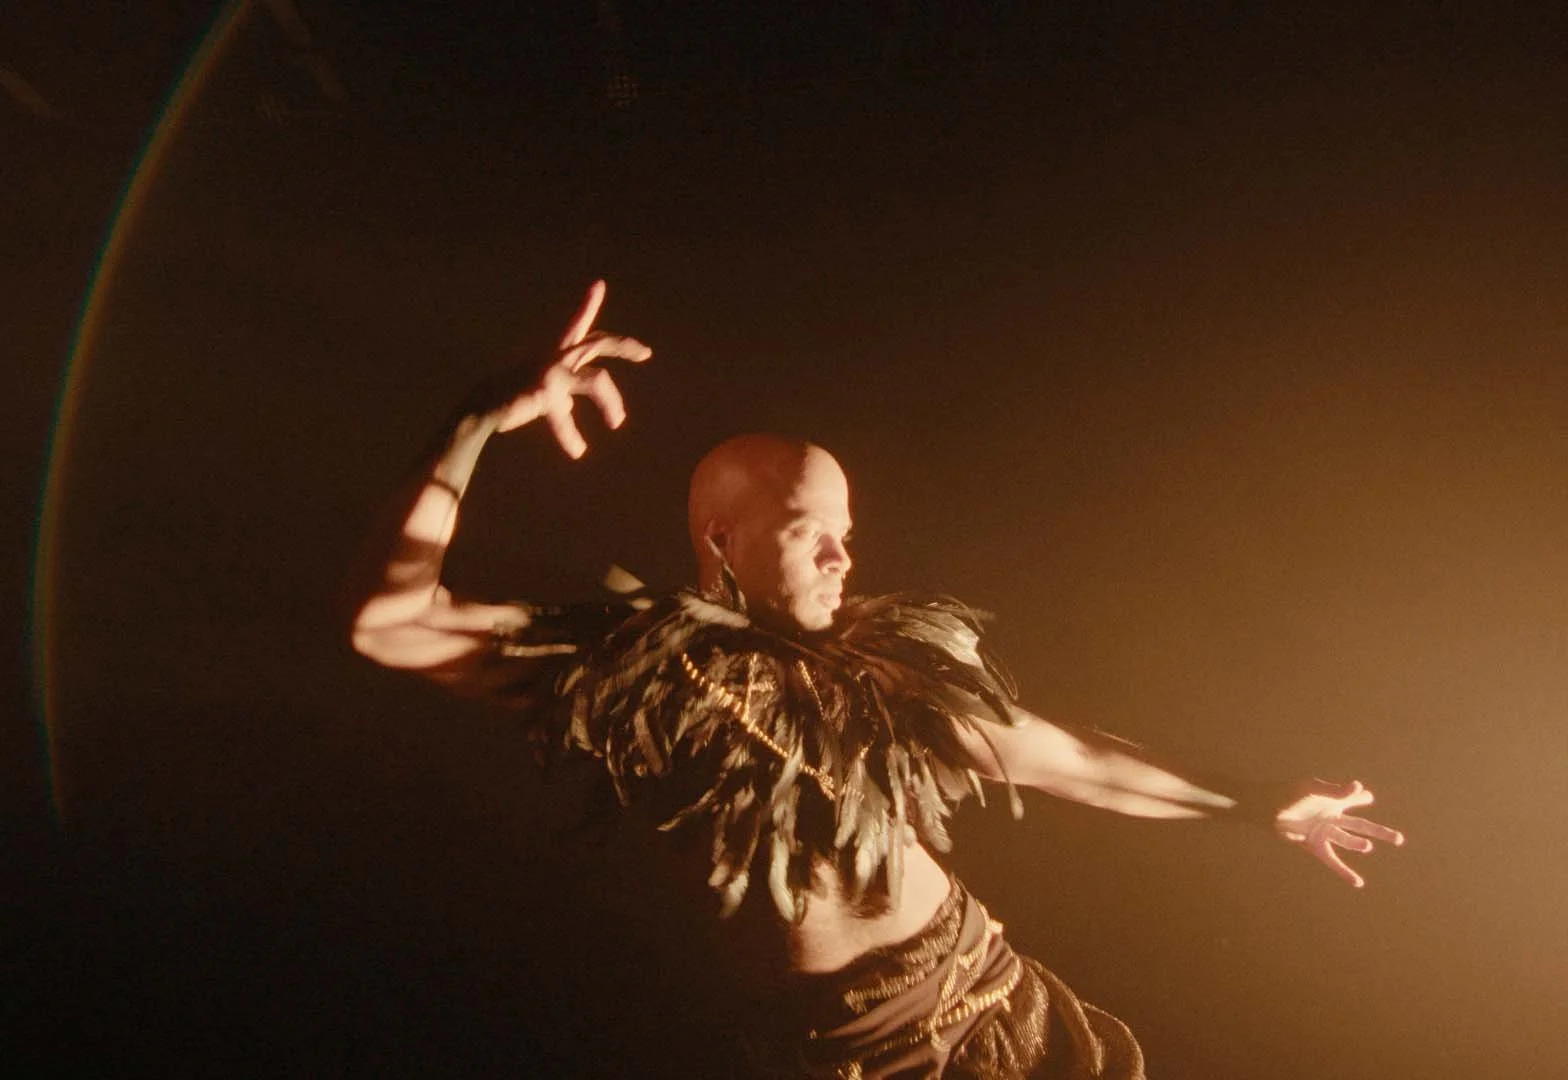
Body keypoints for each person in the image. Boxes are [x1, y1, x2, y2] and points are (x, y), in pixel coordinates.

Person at [348, 281, 1404, 1078]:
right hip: (822, 1055)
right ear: (721, 538)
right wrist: (482, 417)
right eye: (813, 534)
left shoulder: (887, 671)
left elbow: (1068, 760)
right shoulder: (638, 669)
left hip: (989, 1013)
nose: (844, 559)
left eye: (847, 535)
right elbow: (392, 624)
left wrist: (1257, 802)